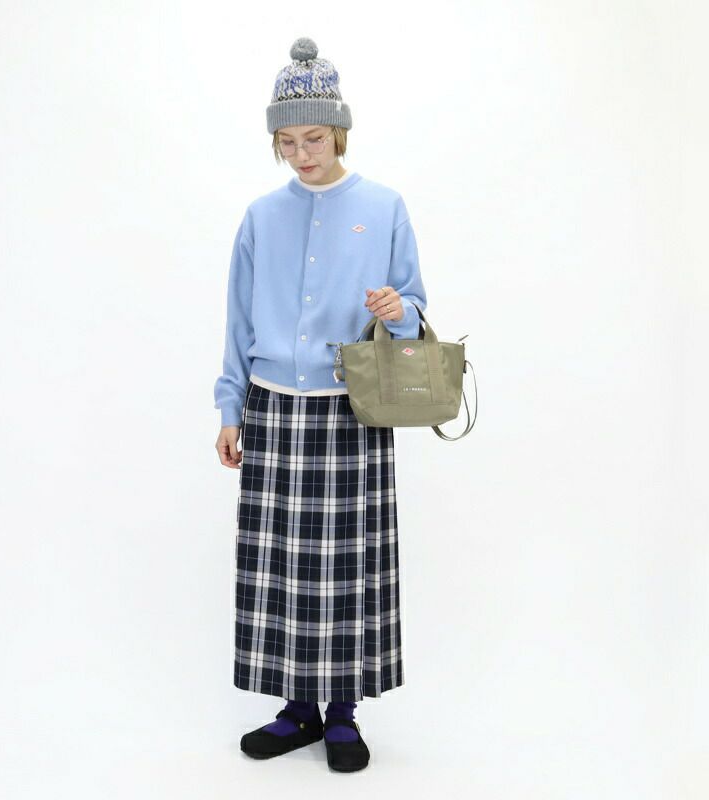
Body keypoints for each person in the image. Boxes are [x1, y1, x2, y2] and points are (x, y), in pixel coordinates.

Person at [213, 36, 428, 773]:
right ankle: (297, 708)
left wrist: (399, 310)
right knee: (280, 566)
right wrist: (230, 408)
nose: (301, 153)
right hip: (273, 407)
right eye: (287, 141)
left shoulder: (384, 206)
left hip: (351, 410)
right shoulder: (259, 217)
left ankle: (342, 713)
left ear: (339, 131)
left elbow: (415, 310)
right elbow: (238, 321)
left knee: (346, 567)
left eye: (313, 137)